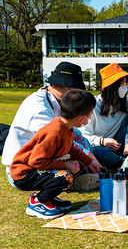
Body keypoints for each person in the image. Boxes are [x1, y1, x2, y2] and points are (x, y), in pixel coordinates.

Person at [2, 62, 100, 191]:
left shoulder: (57, 101)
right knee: (68, 172)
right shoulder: (38, 108)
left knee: (83, 142)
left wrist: (87, 158)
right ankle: (66, 183)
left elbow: (71, 136)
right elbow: (57, 140)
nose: (75, 95)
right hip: (25, 170)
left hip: (44, 158)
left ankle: (78, 175)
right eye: (73, 90)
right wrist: (88, 157)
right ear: (56, 85)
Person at [10, 90, 101, 219]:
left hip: (37, 168)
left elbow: (71, 149)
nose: (91, 117)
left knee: (77, 166)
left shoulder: (67, 128)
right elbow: (35, 161)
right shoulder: (54, 132)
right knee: (65, 176)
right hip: (24, 173)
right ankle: (38, 201)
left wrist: (89, 162)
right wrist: (65, 165)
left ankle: (50, 198)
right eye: (90, 114)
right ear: (82, 118)